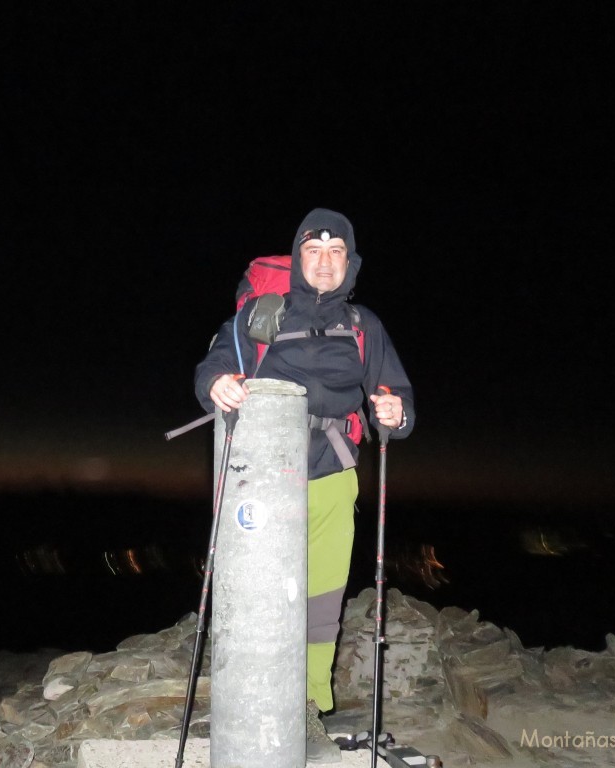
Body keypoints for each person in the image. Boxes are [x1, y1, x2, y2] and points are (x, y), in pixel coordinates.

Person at [194, 208, 415, 763]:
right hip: (264, 477)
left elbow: (396, 397)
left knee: (321, 596)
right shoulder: (263, 313)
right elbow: (216, 363)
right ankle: (247, 702)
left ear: (349, 264)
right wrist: (216, 383)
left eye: (336, 252)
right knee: (258, 590)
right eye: (313, 251)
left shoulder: (364, 327)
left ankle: (309, 702)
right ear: (298, 259)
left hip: (334, 473)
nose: (324, 262)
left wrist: (394, 411)